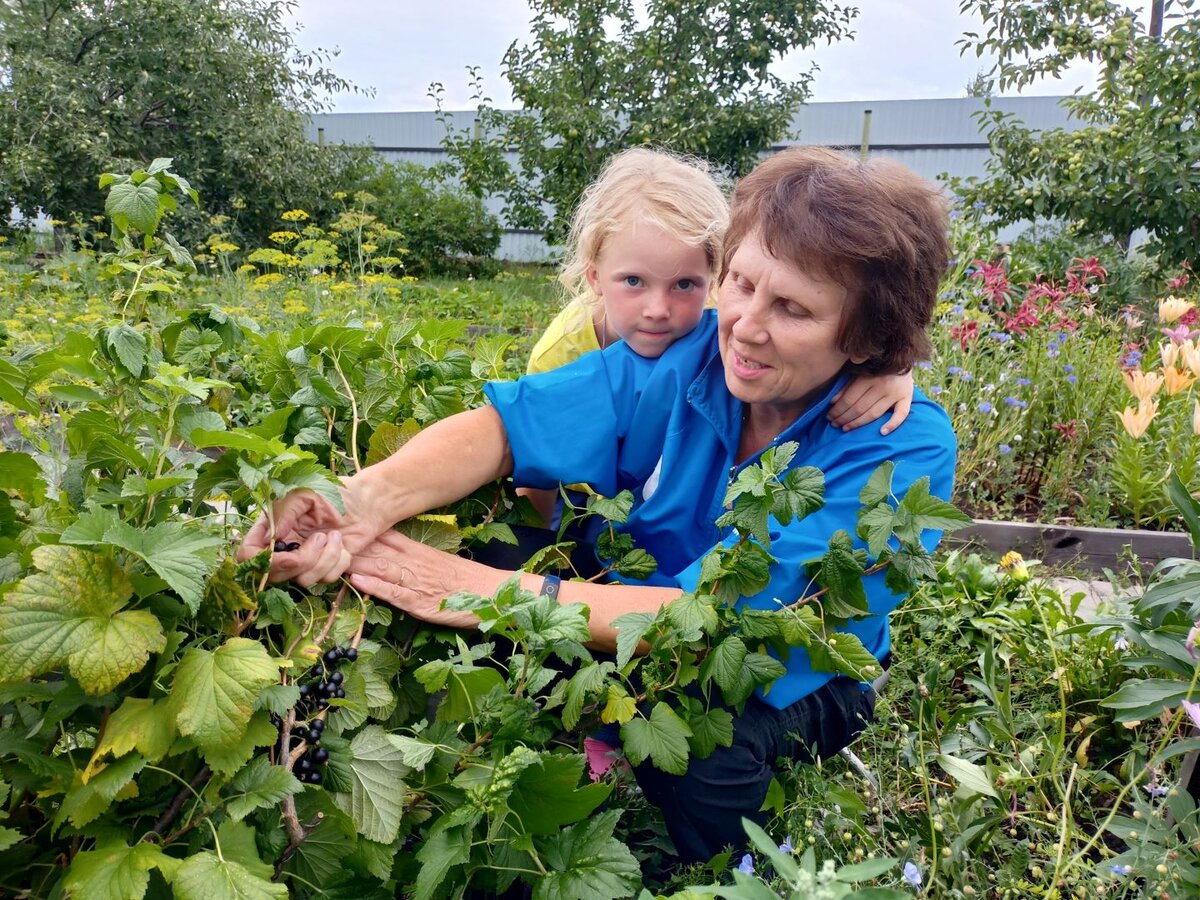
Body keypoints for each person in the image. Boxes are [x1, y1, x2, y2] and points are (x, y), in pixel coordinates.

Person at [238, 146, 957, 863]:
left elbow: (716, 624)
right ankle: (510, 759)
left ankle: (731, 863)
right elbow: (509, 429)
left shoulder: (901, 449)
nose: (743, 324)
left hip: (789, 669)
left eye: (792, 308)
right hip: (633, 599)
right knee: (510, 536)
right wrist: (358, 500)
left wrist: (477, 591)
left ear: (867, 337)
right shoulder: (694, 356)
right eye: (738, 284)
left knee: (705, 725)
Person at [521, 148, 917, 525]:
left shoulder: (722, 314)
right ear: (594, 277)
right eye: (633, 281)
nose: (658, 309)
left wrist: (892, 370)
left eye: (684, 284)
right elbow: (536, 458)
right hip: (579, 497)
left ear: (715, 278)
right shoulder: (564, 350)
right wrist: (538, 543)